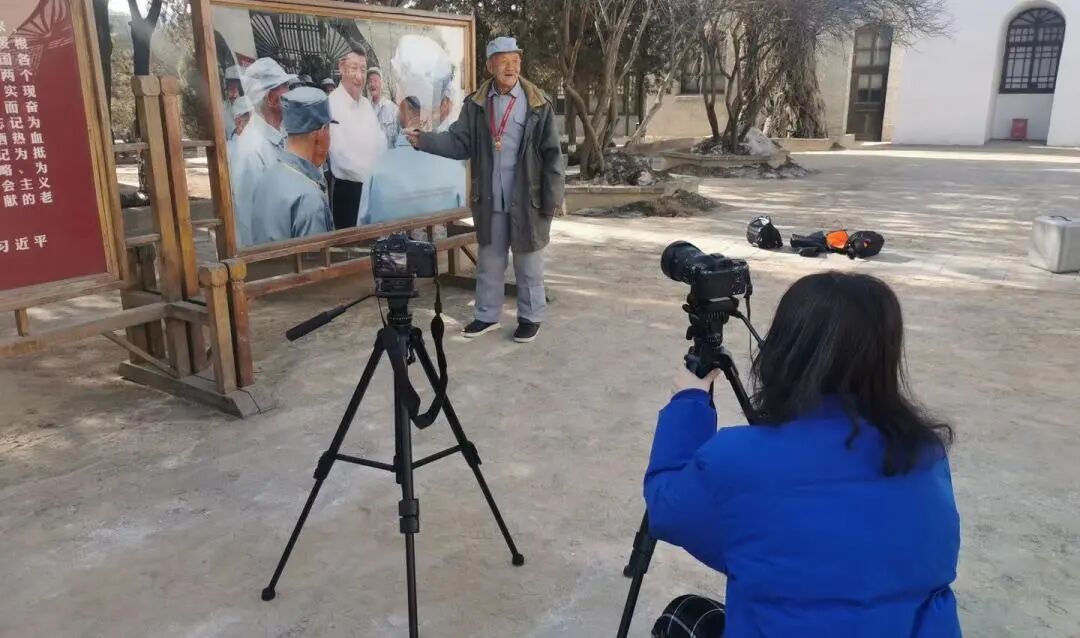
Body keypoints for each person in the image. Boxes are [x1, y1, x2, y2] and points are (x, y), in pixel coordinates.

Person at [645, 272, 961, 638]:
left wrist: (688, 402)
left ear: (783, 348)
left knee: (683, 615)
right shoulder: (925, 454)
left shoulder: (738, 461)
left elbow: (666, 509)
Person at [407, 36, 564, 344]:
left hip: (527, 199)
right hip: (491, 199)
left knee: (528, 263)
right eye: (504, 62)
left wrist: (553, 198)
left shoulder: (537, 103)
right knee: (490, 262)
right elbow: (459, 142)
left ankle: (530, 317)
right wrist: (424, 140)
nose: (511, 67)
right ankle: (486, 315)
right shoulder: (477, 104)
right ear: (491, 66)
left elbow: (552, 154)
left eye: (515, 61)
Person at [358, 96, 465, 226]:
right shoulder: (455, 165)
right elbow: (466, 220)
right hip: (447, 238)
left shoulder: (376, 168)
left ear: (404, 111)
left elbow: (362, 225)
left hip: (387, 239)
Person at [250, 87, 335, 244]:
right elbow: (315, 259)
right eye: (329, 129)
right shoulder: (309, 199)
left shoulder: (267, 177)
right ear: (322, 132)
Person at [230, 58, 297, 247]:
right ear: (271, 99)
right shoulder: (251, 150)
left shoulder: (280, 134)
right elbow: (247, 219)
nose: (290, 95)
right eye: (286, 88)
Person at [328, 46, 386, 230]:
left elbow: (380, 143)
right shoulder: (332, 104)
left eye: (363, 69)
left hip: (374, 190)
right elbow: (341, 157)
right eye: (354, 68)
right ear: (341, 67)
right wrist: (373, 175)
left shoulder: (366, 105)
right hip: (349, 193)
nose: (360, 77)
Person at [367, 67, 399, 148]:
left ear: (382, 84)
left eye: (375, 81)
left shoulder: (393, 109)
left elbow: (399, 139)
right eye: (370, 81)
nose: (372, 84)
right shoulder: (365, 109)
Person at [222, 65, 243, 140]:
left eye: (238, 90)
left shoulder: (250, 109)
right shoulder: (222, 109)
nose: (234, 95)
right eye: (231, 89)